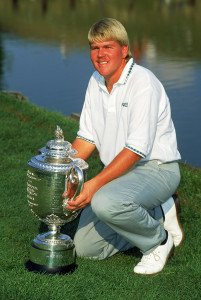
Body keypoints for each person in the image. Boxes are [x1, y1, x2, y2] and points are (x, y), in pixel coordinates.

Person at [64, 18, 184, 275]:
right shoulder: (95, 81)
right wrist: (63, 173)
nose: (100, 54)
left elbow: (136, 150)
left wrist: (93, 186)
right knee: (85, 247)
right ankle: (154, 212)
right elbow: (86, 138)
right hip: (122, 175)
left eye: (107, 46)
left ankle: (158, 241)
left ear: (125, 49)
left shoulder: (143, 82)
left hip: (156, 169)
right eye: (94, 48)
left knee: (105, 202)